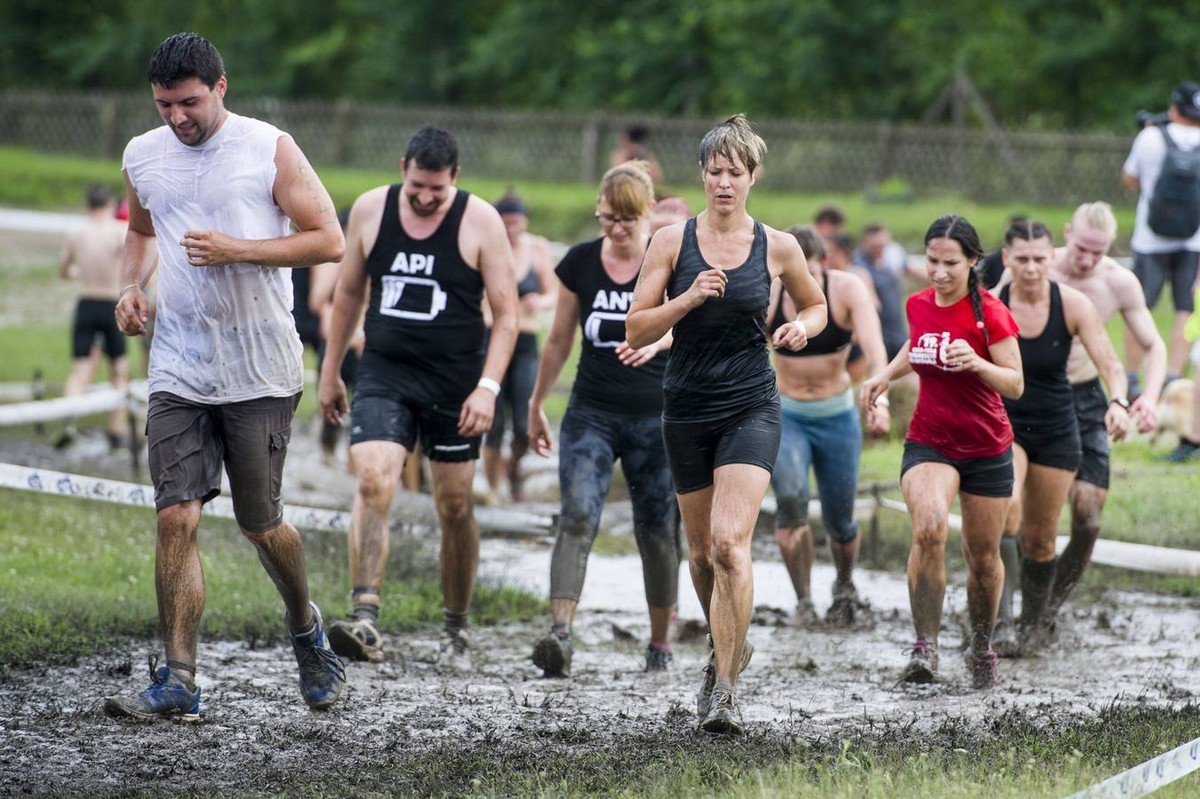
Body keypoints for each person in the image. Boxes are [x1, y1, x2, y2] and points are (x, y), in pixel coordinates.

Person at [105, 33, 347, 720]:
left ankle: (307, 630)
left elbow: (329, 237)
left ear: (220, 87)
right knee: (175, 516)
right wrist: (131, 288)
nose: (176, 119)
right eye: (163, 106)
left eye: (188, 103)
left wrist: (238, 249)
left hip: (261, 363)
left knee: (259, 523)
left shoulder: (268, 147)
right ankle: (179, 677)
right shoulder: (141, 155)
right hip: (179, 362)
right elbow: (143, 231)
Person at [627, 114, 827, 734]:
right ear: (702, 174)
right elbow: (636, 327)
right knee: (699, 553)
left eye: (733, 174)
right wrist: (687, 298)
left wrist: (801, 326)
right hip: (686, 406)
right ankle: (721, 649)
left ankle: (729, 692)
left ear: (752, 178)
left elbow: (817, 305)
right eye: (713, 172)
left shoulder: (779, 245)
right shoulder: (669, 241)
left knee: (729, 544)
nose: (722, 183)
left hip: (751, 405)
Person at [318, 126, 518, 670]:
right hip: (386, 370)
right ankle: (365, 616)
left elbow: (507, 317)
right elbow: (348, 292)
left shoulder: (480, 221)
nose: (426, 198)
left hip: (456, 382)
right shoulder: (369, 210)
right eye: (416, 187)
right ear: (403, 166)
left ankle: (455, 627)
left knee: (454, 505)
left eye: (437, 189)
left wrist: (488, 387)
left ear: (454, 177)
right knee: (373, 477)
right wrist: (331, 370)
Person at [526, 161, 678, 678]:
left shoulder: (669, 258)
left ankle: (660, 644)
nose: (617, 230)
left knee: (656, 528)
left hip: (654, 416)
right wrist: (536, 403)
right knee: (577, 514)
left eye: (628, 220)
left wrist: (658, 337)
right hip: (591, 411)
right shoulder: (580, 263)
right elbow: (560, 338)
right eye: (608, 218)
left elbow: (692, 326)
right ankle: (560, 634)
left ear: (648, 214)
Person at [860, 215, 1023, 690]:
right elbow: (918, 345)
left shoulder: (990, 313)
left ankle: (980, 644)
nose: (939, 271)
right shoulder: (917, 304)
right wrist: (884, 375)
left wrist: (977, 362)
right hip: (929, 439)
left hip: (987, 446)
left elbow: (1015, 383)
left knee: (983, 558)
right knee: (929, 529)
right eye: (932, 261)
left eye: (951, 263)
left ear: (973, 261)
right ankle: (925, 648)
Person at [991, 221, 1129, 656]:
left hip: (1057, 428)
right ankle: (999, 620)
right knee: (1008, 512)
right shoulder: (992, 303)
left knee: (1041, 539)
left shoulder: (1072, 303)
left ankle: (1034, 628)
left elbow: (1110, 363)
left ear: (1051, 257)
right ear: (1007, 257)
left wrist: (1120, 402)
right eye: (1022, 259)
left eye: (1039, 259)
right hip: (1006, 424)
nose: (1031, 268)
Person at [1045, 202, 1166, 617]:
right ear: (1066, 233)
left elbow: (1154, 344)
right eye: (1081, 249)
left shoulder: (1119, 281)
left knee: (1088, 516)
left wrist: (1147, 396)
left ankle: (1049, 607)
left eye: (1097, 252)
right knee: (1022, 518)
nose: (1087, 260)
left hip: (1084, 394)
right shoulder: (1036, 267)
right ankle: (1013, 604)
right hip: (1032, 394)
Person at [769, 226, 889, 628]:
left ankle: (844, 584)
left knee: (840, 519)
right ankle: (803, 600)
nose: (794, 282)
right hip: (788, 414)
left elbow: (875, 351)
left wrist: (880, 401)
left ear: (823, 264)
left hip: (836, 415)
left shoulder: (846, 289)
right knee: (791, 500)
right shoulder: (769, 293)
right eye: (787, 273)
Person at [1121, 82, 1200, 393]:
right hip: (1194, 239)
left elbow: (1130, 178)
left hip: (1150, 238)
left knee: (1138, 305)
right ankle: (1172, 377)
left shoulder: (1151, 137)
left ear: (1174, 108)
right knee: (1185, 308)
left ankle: (1132, 377)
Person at [480, 189, 555, 504]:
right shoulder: (487, 245)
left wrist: (539, 300)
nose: (511, 230)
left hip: (524, 339)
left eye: (516, 223)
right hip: (490, 335)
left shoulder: (537, 248)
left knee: (525, 420)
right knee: (493, 419)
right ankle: (493, 487)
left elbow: (554, 293)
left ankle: (514, 466)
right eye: (505, 223)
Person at [56, 183, 131, 451]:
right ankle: (117, 429)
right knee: (119, 370)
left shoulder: (76, 232)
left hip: (86, 302)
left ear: (88, 205)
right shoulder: (119, 231)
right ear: (111, 204)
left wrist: (81, 273)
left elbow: (64, 270)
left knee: (79, 369)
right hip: (112, 303)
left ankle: (69, 421)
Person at [853, 223, 911, 361]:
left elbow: (909, 269)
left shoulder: (892, 255)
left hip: (897, 328)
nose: (879, 249)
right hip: (878, 331)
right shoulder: (858, 264)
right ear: (865, 243)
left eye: (882, 246)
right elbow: (867, 290)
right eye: (875, 247)